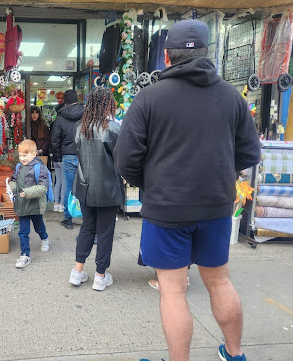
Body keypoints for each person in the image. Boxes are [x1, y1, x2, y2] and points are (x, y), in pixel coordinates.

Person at [114, 19, 260, 361]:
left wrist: (150, 183)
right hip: (215, 207)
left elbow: (126, 160)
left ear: (166, 57)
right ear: (208, 54)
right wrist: (220, 171)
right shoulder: (231, 97)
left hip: (166, 209)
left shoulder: (149, 98)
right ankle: (235, 354)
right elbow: (250, 154)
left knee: (173, 291)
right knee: (219, 282)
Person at [68, 87, 124, 291]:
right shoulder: (113, 129)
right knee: (105, 231)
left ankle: (77, 270)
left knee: (87, 228)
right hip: (108, 188)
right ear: (108, 104)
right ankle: (100, 275)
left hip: (84, 186)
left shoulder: (78, 127)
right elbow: (122, 158)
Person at [9, 139, 50, 268]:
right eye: (20, 155)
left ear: (34, 154)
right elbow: (14, 179)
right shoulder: (19, 166)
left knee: (39, 226)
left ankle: (44, 238)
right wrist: (11, 186)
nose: (22, 158)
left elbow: (43, 187)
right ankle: (25, 255)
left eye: (25, 155)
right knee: (23, 232)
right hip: (22, 204)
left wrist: (27, 192)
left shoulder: (39, 167)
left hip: (34, 204)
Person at [50, 89, 84, 229]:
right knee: (84, 187)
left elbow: (55, 140)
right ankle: (86, 217)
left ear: (65, 101)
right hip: (83, 156)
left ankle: (68, 219)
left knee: (68, 187)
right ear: (77, 99)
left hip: (67, 156)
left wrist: (57, 156)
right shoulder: (86, 114)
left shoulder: (60, 117)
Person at [51, 102, 66, 213]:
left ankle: (56, 203)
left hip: (56, 156)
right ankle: (62, 204)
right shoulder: (63, 122)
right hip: (62, 156)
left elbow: (54, 141)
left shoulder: (54, 123)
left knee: (58, 181)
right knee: (64, 182)